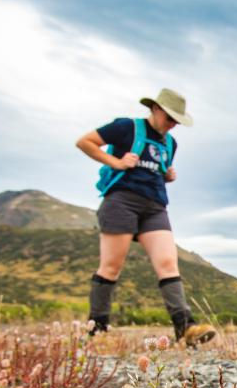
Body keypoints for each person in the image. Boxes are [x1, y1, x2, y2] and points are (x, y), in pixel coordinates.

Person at [75, 88, 215, 347]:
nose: (172, 125)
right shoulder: (126, 128)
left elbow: (154, 171)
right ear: (156, 109)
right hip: (121, 201)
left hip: (156, 206)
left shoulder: (170, 143)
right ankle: (97, 329)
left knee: (168, 263)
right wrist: (115, 162)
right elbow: (85, 142)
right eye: (170, 118)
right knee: (111, 266)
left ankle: (186, 327)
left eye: (177, 121)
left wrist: (167, 176)